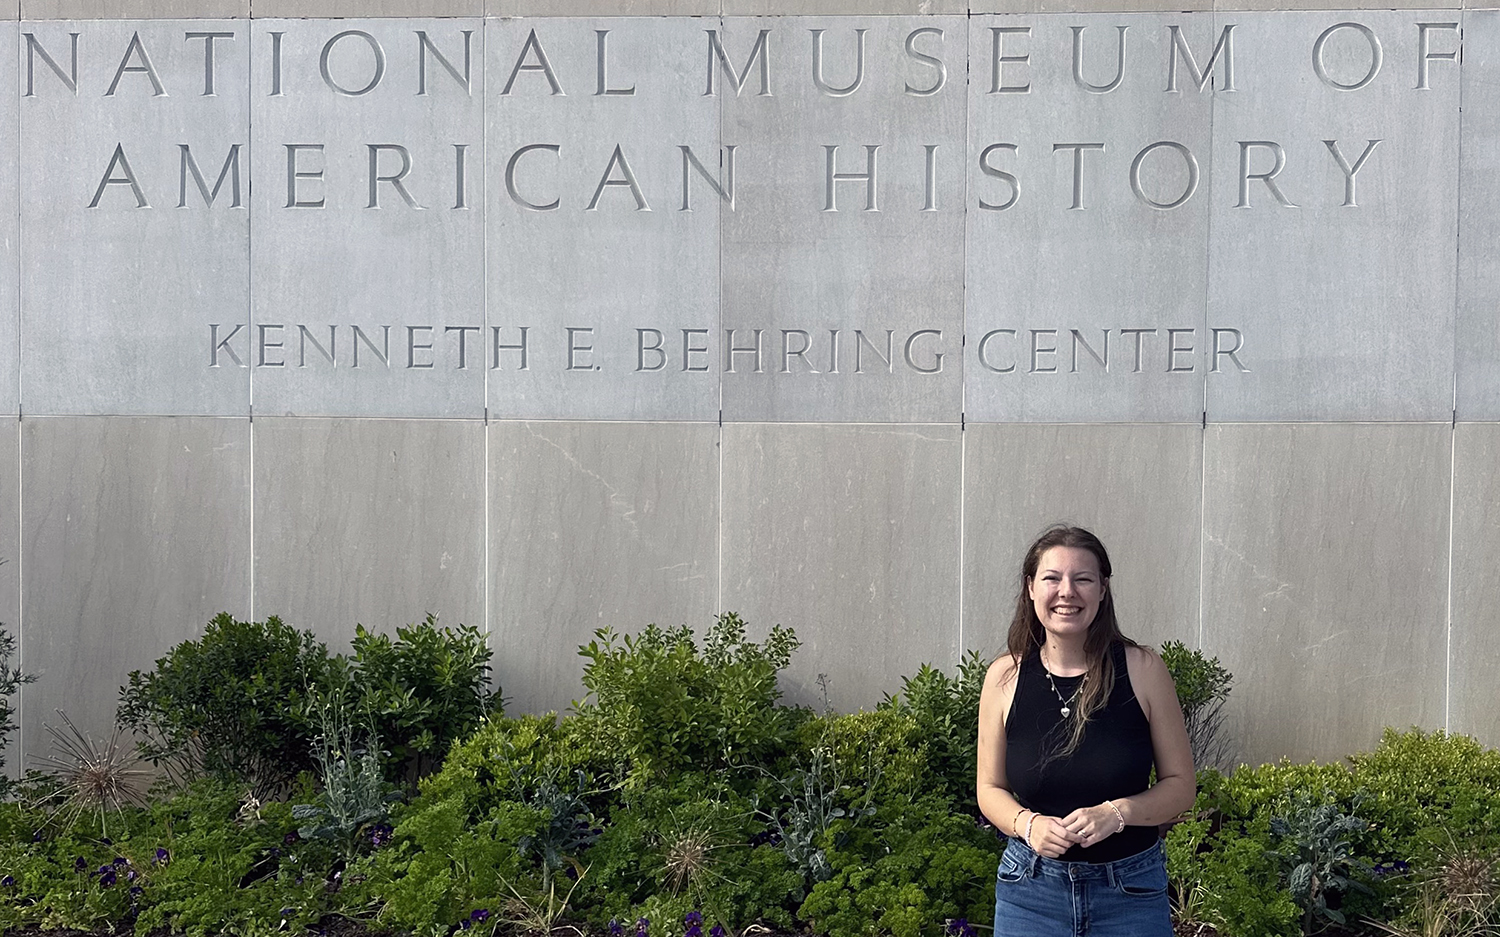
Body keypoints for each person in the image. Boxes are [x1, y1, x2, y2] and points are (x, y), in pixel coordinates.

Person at [976, 525, 1195, 937]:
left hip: (1129, 890)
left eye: (1082, 579)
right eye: (1052, 578)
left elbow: (1181, 787)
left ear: (1102, 589)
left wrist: (1118, 814)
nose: (1067, 592)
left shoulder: (1143, 670)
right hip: (1030, 892)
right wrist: (1028, 824)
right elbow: (989, 790)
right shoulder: (1003, 677)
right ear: (1030, 588)